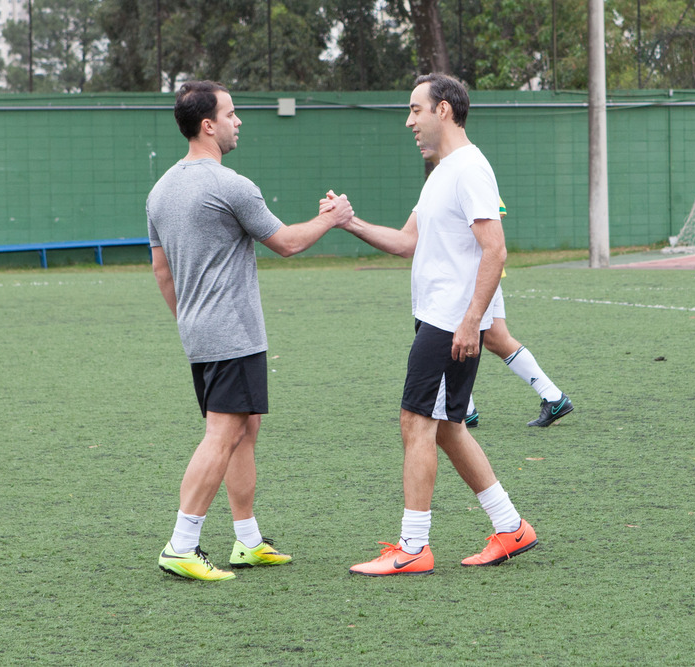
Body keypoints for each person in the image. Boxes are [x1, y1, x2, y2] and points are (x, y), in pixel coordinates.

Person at [331, 73, 537, 576]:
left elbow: (496, 249)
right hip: (440, 319)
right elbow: (407, 242)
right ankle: (510, 528)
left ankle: (413, 547)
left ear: (443, 110)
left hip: (450, 322)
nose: (409, 121)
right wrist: (349, 222)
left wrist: (471, 322)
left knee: (416, 422)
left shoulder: (469, 169)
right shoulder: (441, 172)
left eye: (415, 109)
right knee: (445, 427)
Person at [147, 80, 353, 581]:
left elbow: (162, 273)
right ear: (208, 125)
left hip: (199, 332)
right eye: (232, 114)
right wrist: (332, 218)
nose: (239, 122)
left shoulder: (160, 190)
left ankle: (247, 541)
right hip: (231, 334)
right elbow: (285, 243)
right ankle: (181, 544)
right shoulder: (231, 185)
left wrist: (191, 321)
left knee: (243, 432)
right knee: (222, 434)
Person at [465, 289, 574, 428]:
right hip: (484, 276)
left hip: (473, 278)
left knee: (454, 332)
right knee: (496, 339)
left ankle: (463, 409)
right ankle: (553, 396)